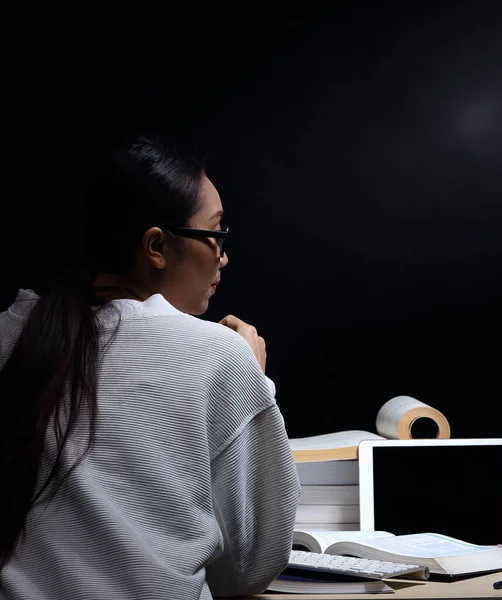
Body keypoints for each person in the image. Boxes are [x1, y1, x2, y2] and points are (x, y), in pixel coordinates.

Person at [0, 135, 301, 599]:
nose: (224, 256)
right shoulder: (219, 353)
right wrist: (256, 383)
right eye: (215, 234)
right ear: (157, 246)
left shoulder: (10, 333)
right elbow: (252, 565)